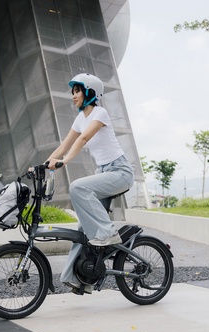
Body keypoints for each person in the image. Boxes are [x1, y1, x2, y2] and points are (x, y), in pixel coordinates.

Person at [46, 73, 134, 294]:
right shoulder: (80, 118)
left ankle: (108, 233)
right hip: (104, 172)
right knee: (83, 230)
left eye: (77, 90)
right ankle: (77, 279)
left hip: (120, 171)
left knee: (78, 187)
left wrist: (64, 162)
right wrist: (43, 165)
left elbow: (82, 139)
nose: (73, 95)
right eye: (73, 91)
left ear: (90, 92)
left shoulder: (100, 113)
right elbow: (65, 144)